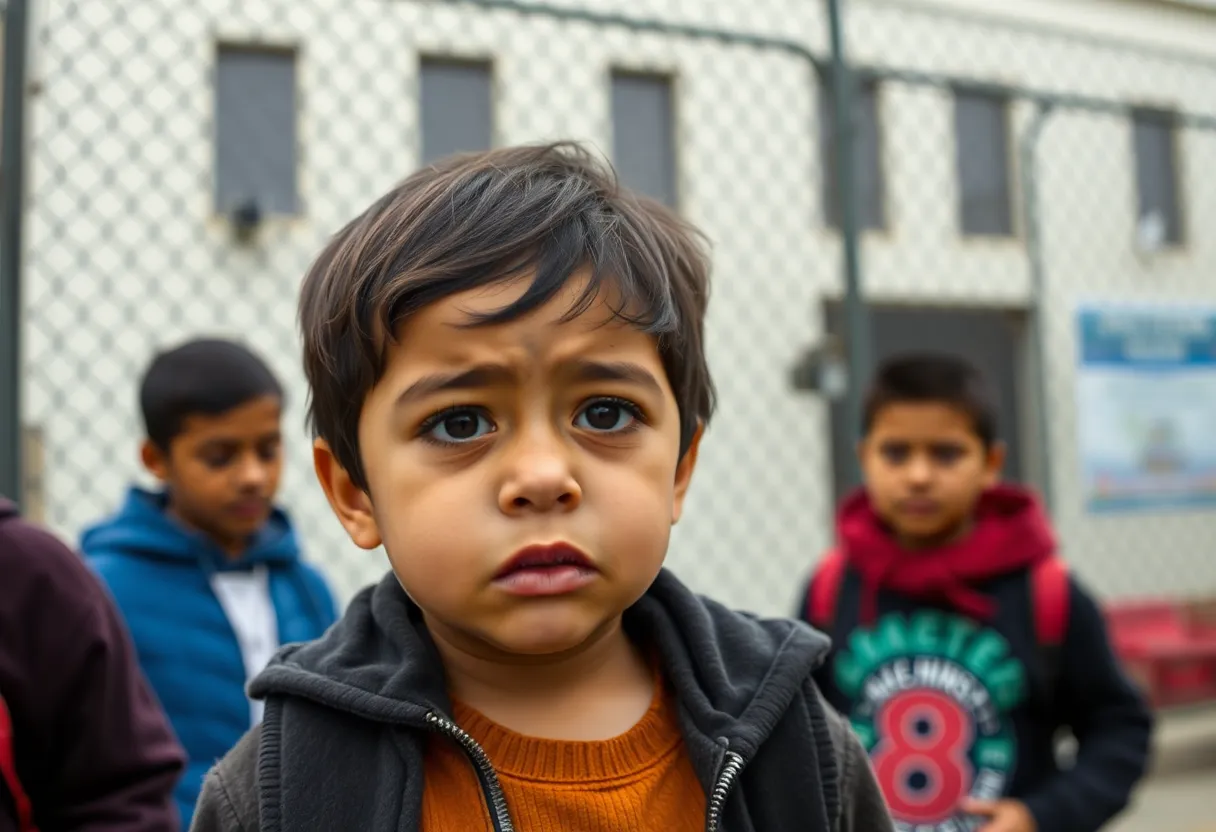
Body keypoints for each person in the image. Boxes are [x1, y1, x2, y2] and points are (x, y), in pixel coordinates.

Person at [190, 143, 892, 831]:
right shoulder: (286, 787)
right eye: (460, 423)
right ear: (354, 493)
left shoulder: (792, 743)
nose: (543, 477)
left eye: (605, 413)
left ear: (680, 467)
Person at [799, 353, 1152, 832]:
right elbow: (799, 733)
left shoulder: (1045, 593)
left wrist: (1039, 816)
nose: (919, 475)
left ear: (991, 463)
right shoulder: (831, 588)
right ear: (864, 458)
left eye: (946, 453)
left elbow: (1120, 728)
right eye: (896, 453)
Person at [82, 339, 339, 829]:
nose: (252, 476)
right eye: (220, 457)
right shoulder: (104, 590)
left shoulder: (306, 586)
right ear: (156, 459)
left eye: (268, 450)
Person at [0, 496, 184, 831]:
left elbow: (122, 790)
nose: (252, 478)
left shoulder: (32, 576)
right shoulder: (116, 575)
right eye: (218, 459)